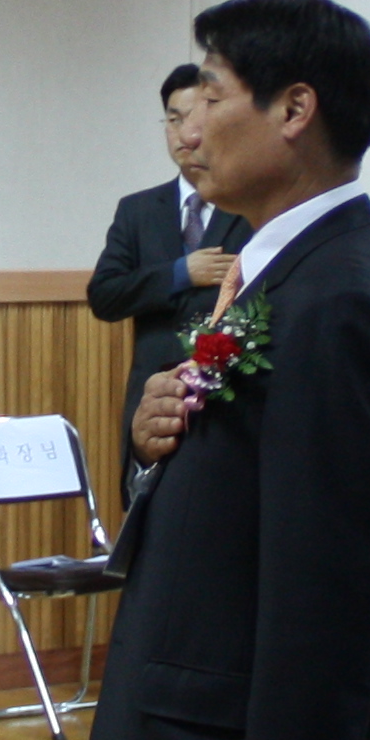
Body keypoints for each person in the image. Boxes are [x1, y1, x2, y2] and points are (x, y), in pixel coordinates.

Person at [74, 0, 370, 740]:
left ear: (294, 110)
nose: (190, 128)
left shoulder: (340, 295)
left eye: (214, 93)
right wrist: (161, 437)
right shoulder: (283, 272)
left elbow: (331, 589)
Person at [87, 63, 248, 495]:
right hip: (152, 404)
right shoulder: (138, 210)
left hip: (226, 404)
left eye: (195, 117)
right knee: (147, 515)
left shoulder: (248, 205)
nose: (183, 133)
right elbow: (104, 295)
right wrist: (180, 273)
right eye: (172, 120)